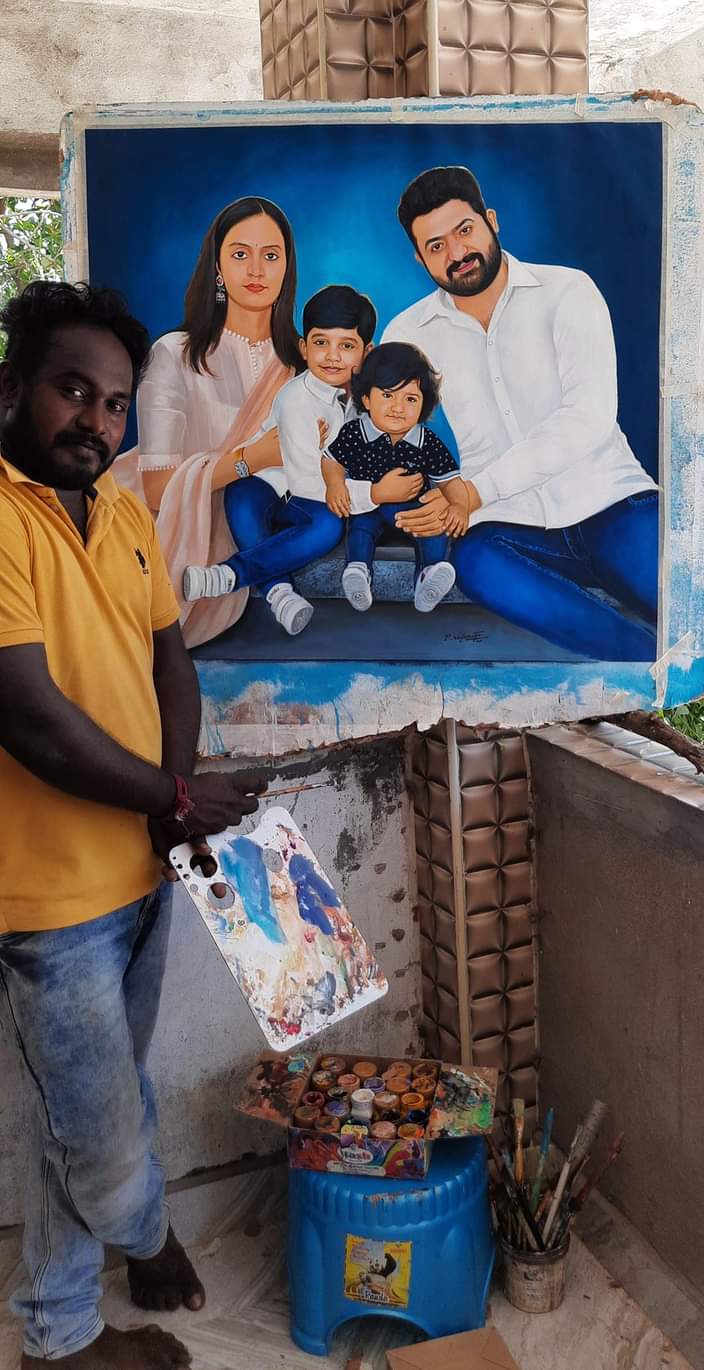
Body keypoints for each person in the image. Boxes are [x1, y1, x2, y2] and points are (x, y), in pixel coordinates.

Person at [0, 280, 267, 1370]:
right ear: (12, 388)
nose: (98, 422)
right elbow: (26, 713)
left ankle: (60, 1325)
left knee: (83, 1110)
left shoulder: (118, 510)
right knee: (99, 1134)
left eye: (115, 404)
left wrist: (177, 794)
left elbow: (172, 660)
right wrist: (173, 800)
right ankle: (143, 1238)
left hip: (143, 870)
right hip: (48, 898)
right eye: (73, 391)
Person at [380, 165, 659, 661]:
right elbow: (392, 434)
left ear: (491, 221)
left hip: (611, 503)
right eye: (436, 246)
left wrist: (473, 491)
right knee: (475, 561)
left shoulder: (567, 290)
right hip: (509, 525)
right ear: (419, 257)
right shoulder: (407, 333)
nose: (457, 253)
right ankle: (647, 668)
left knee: (695, 611)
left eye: (464, 230)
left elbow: (589, 416)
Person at [114, 195, 303, 647]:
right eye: (240, 254)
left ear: (286, 268)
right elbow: (158, 487)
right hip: (158, 531)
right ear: (217, 267)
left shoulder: (308, 364)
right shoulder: (175, 354)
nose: (256, 270)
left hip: (263, 522)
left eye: (270, 256)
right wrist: (252, 459)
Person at [184, 285, 419, 634]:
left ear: (367, 353)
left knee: (328, 526)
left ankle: (247, 580)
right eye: (321, 342)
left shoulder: (365, 403)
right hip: (267, 484)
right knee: (242, 502)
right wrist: (375, 493)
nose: (332, 356)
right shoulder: (296, 399)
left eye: (347, 346)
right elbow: (305, 482)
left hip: (305, 498)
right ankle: (271, 589)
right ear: (304, 348)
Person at [322, 341, 467, 614]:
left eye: (410, 399)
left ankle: (428, 575)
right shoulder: (355, 433)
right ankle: (358, 570)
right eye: (388, 395)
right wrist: (335, 483)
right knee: (360, 526)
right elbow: (332, 460)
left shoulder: (426, 441)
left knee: (434, 527)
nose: (398, 408)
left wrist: (459, 504)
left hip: (413, 510)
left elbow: (450, 480)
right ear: (366, 399)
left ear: (423, 405)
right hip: (371, 506)